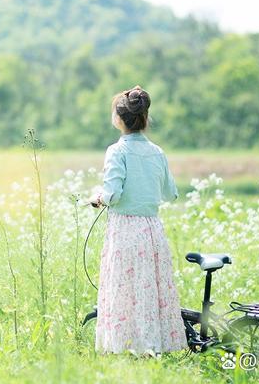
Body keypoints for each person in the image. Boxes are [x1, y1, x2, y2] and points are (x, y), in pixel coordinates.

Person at [88, 85, 188, 356]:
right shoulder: (157, 152)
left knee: (124, 288)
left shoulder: (117, 151)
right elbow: (171, 192)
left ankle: (125, 346)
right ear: (144, 118)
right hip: (152, 229)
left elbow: (112, 195)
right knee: (149, 289)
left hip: (125, 229)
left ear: (119, 119)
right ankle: (153, 345)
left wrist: (98, 197)